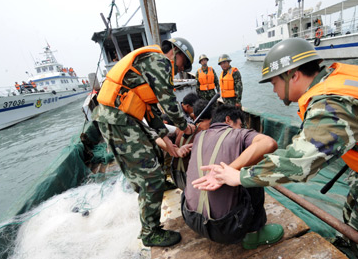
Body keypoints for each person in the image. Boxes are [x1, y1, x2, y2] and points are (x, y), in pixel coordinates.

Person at [192, 38, 358, 259]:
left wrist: (240, 176)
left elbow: (299, 162)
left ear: (293, 75)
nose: (274, 90)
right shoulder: (338, 79)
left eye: (275, 82)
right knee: (353, 227)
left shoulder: (334, 103)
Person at [92, 37, 196, 247]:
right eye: (182, 65)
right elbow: (168, 102)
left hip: (124, 119)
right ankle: (151, 232)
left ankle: (153, 185)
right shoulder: (160, 61)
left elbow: (153, 113)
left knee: (153, 150)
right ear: (176, 53)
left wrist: (171, 145)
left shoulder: (148, 66)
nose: (177, 71)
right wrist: (186, 128)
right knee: (151, 176)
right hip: (117, 120)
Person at [184, 105, 283, 247]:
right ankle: (253, 235)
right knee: (252, 171)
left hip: (191, 218)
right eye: (240, 124)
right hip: (225, 229)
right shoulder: (239, 134)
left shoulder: (199, 136)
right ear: (228, 120)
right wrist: (229, 171)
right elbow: (269, 143)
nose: (241, 127)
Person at [171, 99, 214, 190]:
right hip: (191, 182)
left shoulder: (182, 130)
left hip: (177, 177)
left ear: (194, 115)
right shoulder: (206, 134)